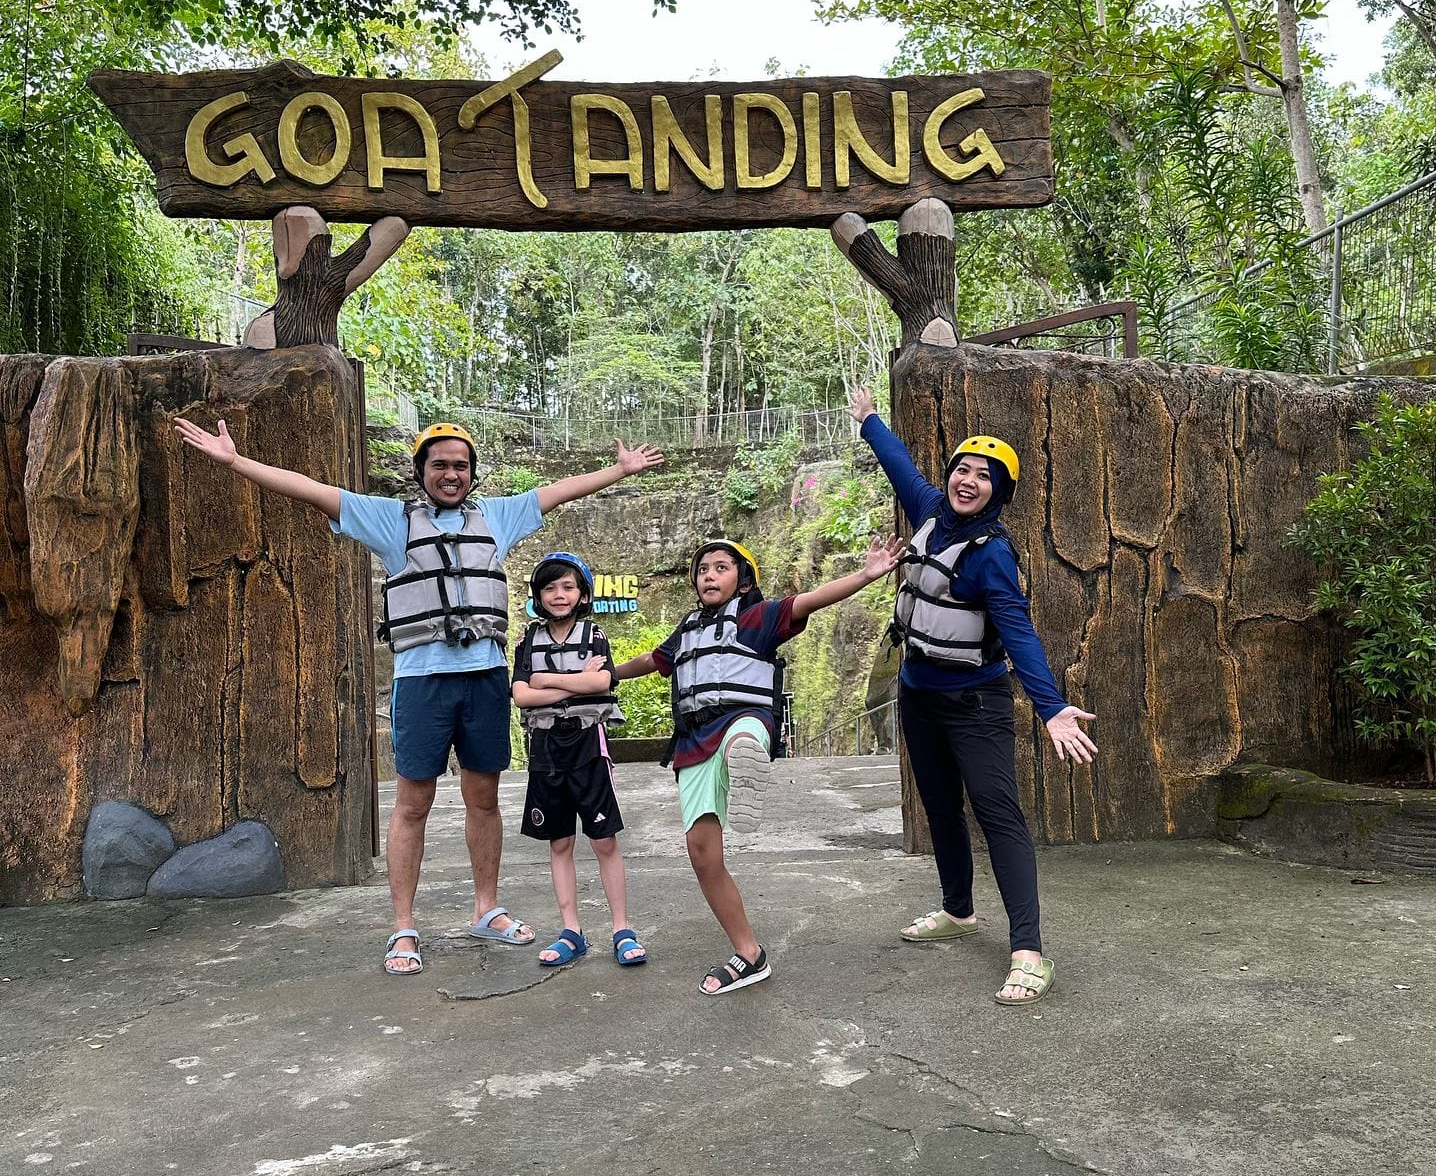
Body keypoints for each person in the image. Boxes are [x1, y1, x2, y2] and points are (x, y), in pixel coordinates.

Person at [171, 414, 662, 975]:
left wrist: (618, 471)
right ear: (421, 471)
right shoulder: (390, 521)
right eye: (440, 465)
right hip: (422, 683)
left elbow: (557, 492)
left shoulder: (495, 517)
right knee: (412, 804)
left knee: (483, 799)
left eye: (460, 465)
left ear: (472, 474)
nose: (450, 474)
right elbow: (309, 489)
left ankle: (486, 907)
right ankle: (403, 927)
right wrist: (236, 462)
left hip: (482, 679)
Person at [847, 387, 1096, 1005]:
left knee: (998, 815)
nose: (967, 480)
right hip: (918, 694)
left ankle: (1030, 953)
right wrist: (870, 419)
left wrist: (1052, 707)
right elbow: (899, 464)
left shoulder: (993, 557)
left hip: (975, 704)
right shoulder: (929, 509)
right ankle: (958, 911)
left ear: (999, 493)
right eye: (962, 467)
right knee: (939, 806)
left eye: (984, 476)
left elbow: (1019, 633)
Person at [614, 534, 903, 997]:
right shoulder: (687, 629)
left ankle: (745, 759)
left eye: (721, 567)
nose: (709, 574)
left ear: (743, 578)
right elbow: (652, 660)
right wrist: (604, 674)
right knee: (702, 854)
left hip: (743, 719)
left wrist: (867, 574)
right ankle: (750, 954)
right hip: (693, 742)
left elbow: (811, 600)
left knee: (745, 731)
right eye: (703, 568)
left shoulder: (759, 617)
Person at [511, 552, 646, 971]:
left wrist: (547, 681)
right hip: (547, 750)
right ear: (538, 596)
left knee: (604, 840)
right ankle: (572, 931)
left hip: (589, 745)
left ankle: (622, 929)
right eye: (550, 587)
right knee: (560, 842)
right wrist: (576, 686)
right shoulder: (527, 641)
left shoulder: (595, 636)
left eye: (568, 586)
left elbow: (603, 681)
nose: (559, 594)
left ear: (583, 593)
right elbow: (521, 695)